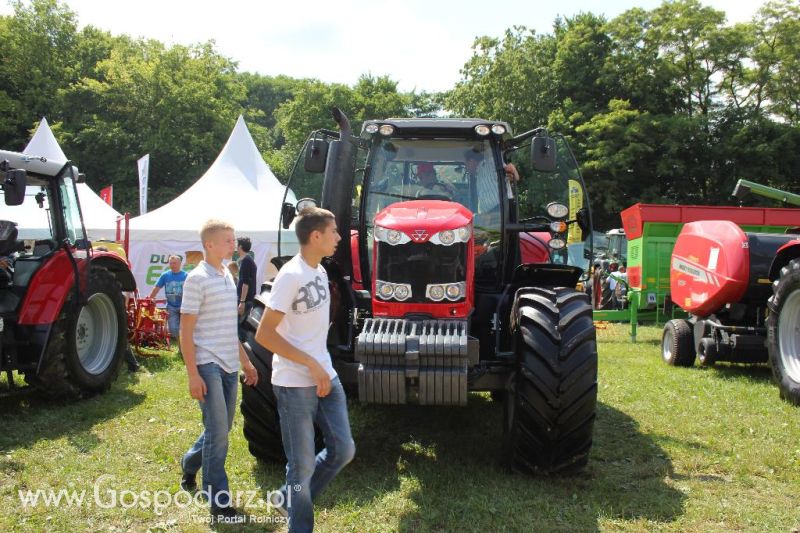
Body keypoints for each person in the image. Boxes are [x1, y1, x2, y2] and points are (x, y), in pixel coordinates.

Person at [255, 207, 355, 532]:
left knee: (343, 450)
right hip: (295, 383)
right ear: (316, 236)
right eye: (334, 231)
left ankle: (290, 498)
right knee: (301, 467)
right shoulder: (290, 276)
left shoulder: (321, 272)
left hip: (325, 375)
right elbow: (264, 334)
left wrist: (319, 363)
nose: (339, 237)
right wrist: (310, 363)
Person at [178, 219, 258, 522]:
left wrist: (246, 362)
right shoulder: (196, 279)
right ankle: (219, 504)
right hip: (207, 364)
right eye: (227, 240)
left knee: (219, 430)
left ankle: (189, 464)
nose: (233, 244)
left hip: (227, 363)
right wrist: (192, 374)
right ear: (209, 245)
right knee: (219, 435)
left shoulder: (227, 275)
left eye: (233, 239)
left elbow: (229, 328)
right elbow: (185, 332)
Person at [464, 148, 520, 214]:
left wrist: (511, 171)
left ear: (471, 161)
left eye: (466, 164)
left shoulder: (491, 162)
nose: (466, 167)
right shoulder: (478, 174)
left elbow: (513, 173)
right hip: (491, 214)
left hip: (502, 210)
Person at [150, 255, 187, 350]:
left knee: (185, 328)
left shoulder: (186, 276)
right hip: (171, 306)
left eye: (174, 263)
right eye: (171, 263)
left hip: (185, 306)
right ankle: (180, 343)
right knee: (173, 329)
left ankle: (183, 348)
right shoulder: (165, 275)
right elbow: (156, 287)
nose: (173, 265)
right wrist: (150, 298)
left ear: (179, 264)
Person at [236, 236, 257, 341]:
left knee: (238, 326)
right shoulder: (248, 260)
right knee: (241, 324)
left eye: (237, 244)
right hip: (247, 299)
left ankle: (245, 348)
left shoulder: (246, 261)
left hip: (245, 300)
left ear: (240, 246)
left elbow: (245, 283)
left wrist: (242, 301)